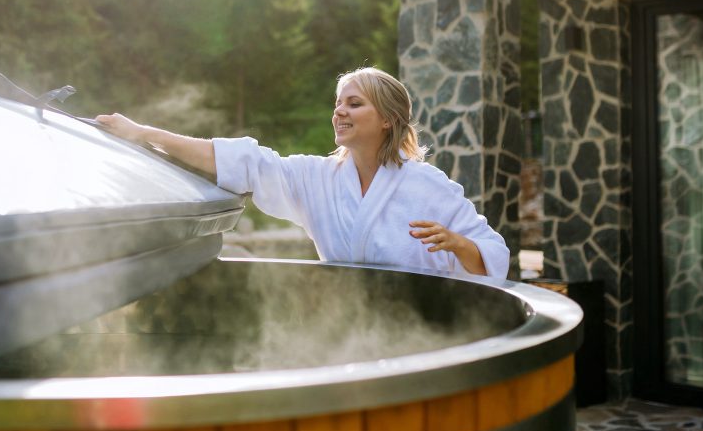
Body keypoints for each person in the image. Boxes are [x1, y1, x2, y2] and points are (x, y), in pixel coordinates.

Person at [96, 67, 509, 278]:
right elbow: (246, 163)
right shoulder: (318, 179)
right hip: (350, 326)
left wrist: (457, 244)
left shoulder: (428, 186)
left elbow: (494, 256)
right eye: (338, 103)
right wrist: (142, 133)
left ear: (387, 119)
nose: (339, 111)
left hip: (424, 331)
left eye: (354, 103)